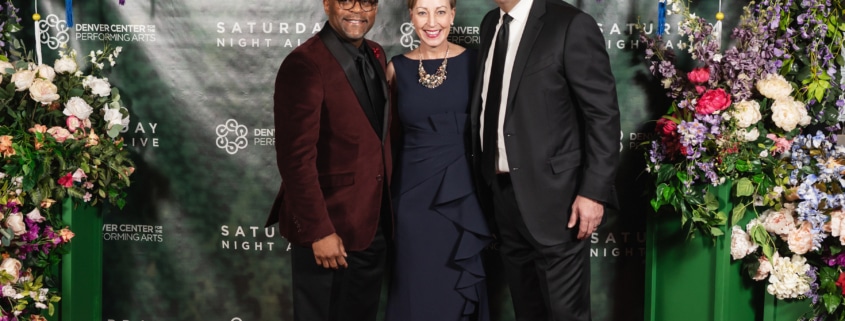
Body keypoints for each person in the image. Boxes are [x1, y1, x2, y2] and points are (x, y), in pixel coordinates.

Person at [469, 0, 620, 320]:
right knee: (528, 310)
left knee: (566, 313)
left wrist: (593, 192)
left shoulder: (570, 25)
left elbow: (602, 116)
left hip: (559, 201)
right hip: (504, 194)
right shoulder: (490, 24)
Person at [263, 0, 392, 320]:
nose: (358, 10)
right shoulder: (304, 64)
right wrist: (319, 231)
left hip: (371, 223)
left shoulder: (376, 54)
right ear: (327, 4)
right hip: (327, 229)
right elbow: (295, 159)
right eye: (348, 0)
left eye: (368, 2)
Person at [383, 0, 493, 320]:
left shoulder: (477, 64)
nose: (432, 22)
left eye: (441, 11)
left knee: (457, 288)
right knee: (416, 291)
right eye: (422, 12)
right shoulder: (396, 68)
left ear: (453, 15)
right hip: (411, 204)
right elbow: (385, 139)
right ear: (411, 16)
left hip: (464, 200)